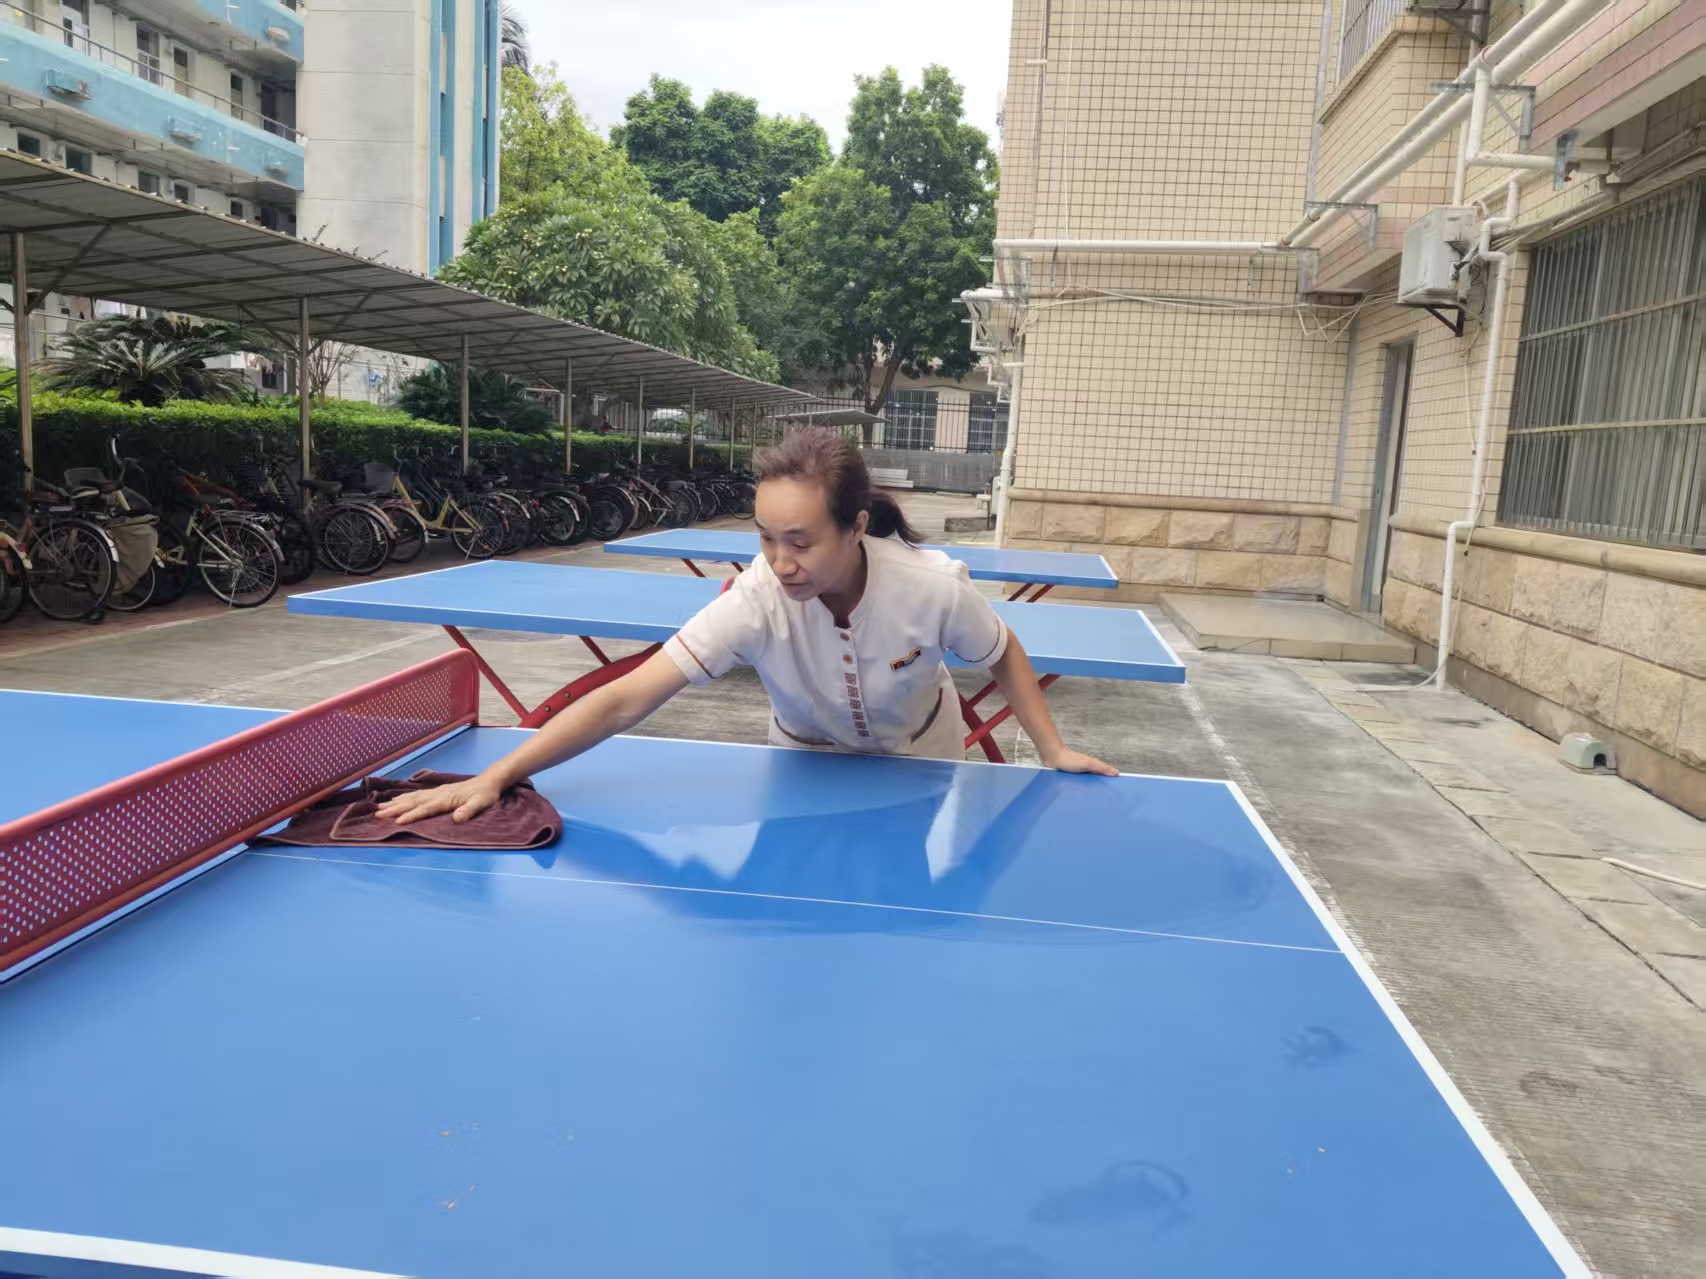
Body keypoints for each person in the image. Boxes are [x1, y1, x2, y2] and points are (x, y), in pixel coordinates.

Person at [379, 429, 1116, 826]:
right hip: (801, 762)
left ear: (856, 527)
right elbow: (626, 698)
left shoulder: (932, 589)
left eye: (801, 541)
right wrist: (499, 776)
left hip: (921, 755)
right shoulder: (755, 601)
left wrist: (1052, 749)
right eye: (765, 537)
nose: (780, 561)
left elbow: (1001, 651)